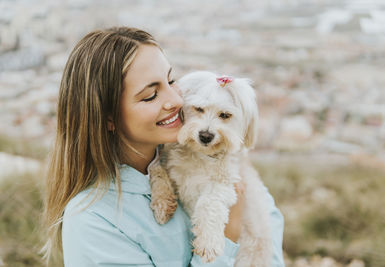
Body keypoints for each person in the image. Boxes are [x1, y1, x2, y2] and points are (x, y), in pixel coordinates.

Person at [43, 27, 285, 267]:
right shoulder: (93, 221)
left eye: (171, 81)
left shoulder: (218, 161)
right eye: (150, 95)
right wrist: (227, 235)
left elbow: (270, 230)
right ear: (108, 117)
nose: (176, 100)